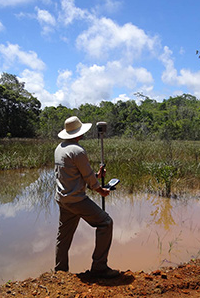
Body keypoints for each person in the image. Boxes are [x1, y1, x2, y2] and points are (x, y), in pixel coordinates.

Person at [54, 116, 119, 279]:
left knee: (64, 235)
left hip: (63, 199)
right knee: (105, 223)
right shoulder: (78, 151)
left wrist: (97, 175)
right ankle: (99, 268)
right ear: (79, 133)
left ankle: (60, 272)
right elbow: (89, 179)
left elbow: (76, 174)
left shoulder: (60, 148)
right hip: (76, 200)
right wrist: (100, 190)